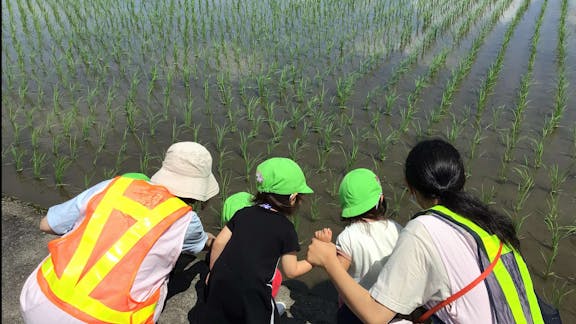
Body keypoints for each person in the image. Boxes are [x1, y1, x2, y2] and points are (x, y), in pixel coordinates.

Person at [307, 139, 546, 323]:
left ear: (410, 188)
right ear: (462, 179)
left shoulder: (423, 229)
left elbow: (375, 316)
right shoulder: (485, 220)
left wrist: (328, 260)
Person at [20, 141, 220, 323]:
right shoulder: (186, 220)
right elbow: (201, 244)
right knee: (161, 276)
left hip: (37, 300)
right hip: (105, 319)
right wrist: (214, 243)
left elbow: (46, 224)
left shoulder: (114, 186)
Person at [201, 157, 314, 323]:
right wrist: (315, 261)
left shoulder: (243, 213)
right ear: (293, 198)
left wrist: (213, 272)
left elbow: (218, 243)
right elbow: (291, 270)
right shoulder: (286, 229)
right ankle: (273, 311)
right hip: (252, 295)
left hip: (221, 284)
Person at [315, 168, 403, 323]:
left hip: (357, 306)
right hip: (388, 305)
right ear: (381, 199)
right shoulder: (397, 228)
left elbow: (337, 270)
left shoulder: (348, 237)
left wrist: (326, 249)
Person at [219, 191, 286, 313]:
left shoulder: (219, 255)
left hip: (224, 302)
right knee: (276, 277)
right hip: (251, 309)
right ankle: (269, 310)